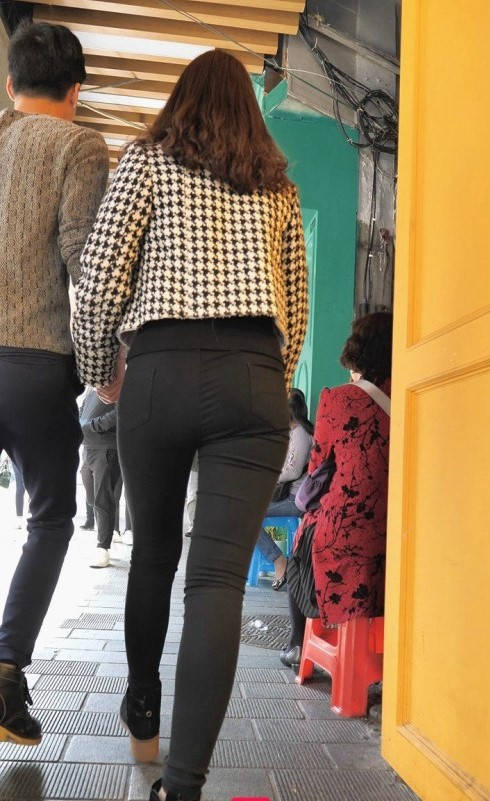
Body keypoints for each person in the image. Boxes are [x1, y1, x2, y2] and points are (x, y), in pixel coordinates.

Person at [73, 48, 307, 801]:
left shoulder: (145, 163)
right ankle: (183, 787)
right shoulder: (276, 186)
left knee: (154, 554)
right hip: (253, 373)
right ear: (250, 111)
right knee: (216, 584)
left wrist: (99, 372)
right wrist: (267, 383)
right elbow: (297, 307)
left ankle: (143, 704)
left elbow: (99, 278)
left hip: (161, 370)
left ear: (179, 100)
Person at [0, 21, 108, 746]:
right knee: (48, 519)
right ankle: (6, 668)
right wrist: (101, 368)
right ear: (75, 90)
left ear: (11, 84)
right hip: (36, 364)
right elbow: (82, 260)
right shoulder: (80, 144)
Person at [280, 313, 392, 667]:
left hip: (345, 531)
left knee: (301, 544)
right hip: (398, 529)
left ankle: (298, 646)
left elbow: (317, 466)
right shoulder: (413, 395)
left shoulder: (338, 399)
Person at [255, 388, 313, 589]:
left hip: (295, 498)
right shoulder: (292, 432)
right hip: (287, 494)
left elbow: (292, 471)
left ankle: (278, 560)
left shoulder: (300, 434)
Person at [80, 388, 122, 567]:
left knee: (102, 498)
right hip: (88, 447)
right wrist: (82, 427)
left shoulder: (120, 382)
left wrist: (93, 426)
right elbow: (82, 411)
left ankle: (102, 546)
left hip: (106, 447)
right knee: (92, 498)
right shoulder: (91, 389)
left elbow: (122, 410)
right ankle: (105, 536)